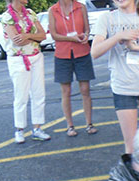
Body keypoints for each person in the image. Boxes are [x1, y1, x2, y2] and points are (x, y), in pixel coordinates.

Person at [92, 0, 139, 155]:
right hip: (123, 87)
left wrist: (138, 47)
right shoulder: (107, 19)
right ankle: (132, 178)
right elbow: (94, 52)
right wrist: (118, 36)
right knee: (131, 145)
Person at [2, 0, 50, 144]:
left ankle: (37, 128)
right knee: (21, 95)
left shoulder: (30, 13)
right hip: (18, 59)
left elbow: (42, 35)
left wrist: (28, 36)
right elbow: (17, 41)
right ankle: (19, 129)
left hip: (36, 56)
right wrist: (32, 37)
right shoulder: (7, 17)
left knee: (39, 93)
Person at [48, 0, 97, 137]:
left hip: (82, 52)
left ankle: (89, 123)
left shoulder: (80, 7)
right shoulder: (53, 10)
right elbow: (53, 34)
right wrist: (71, 39)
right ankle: (70, 126)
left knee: (85, 89)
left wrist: (86, 35)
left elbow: (87, 29)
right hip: (62, 54)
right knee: (66, 91)